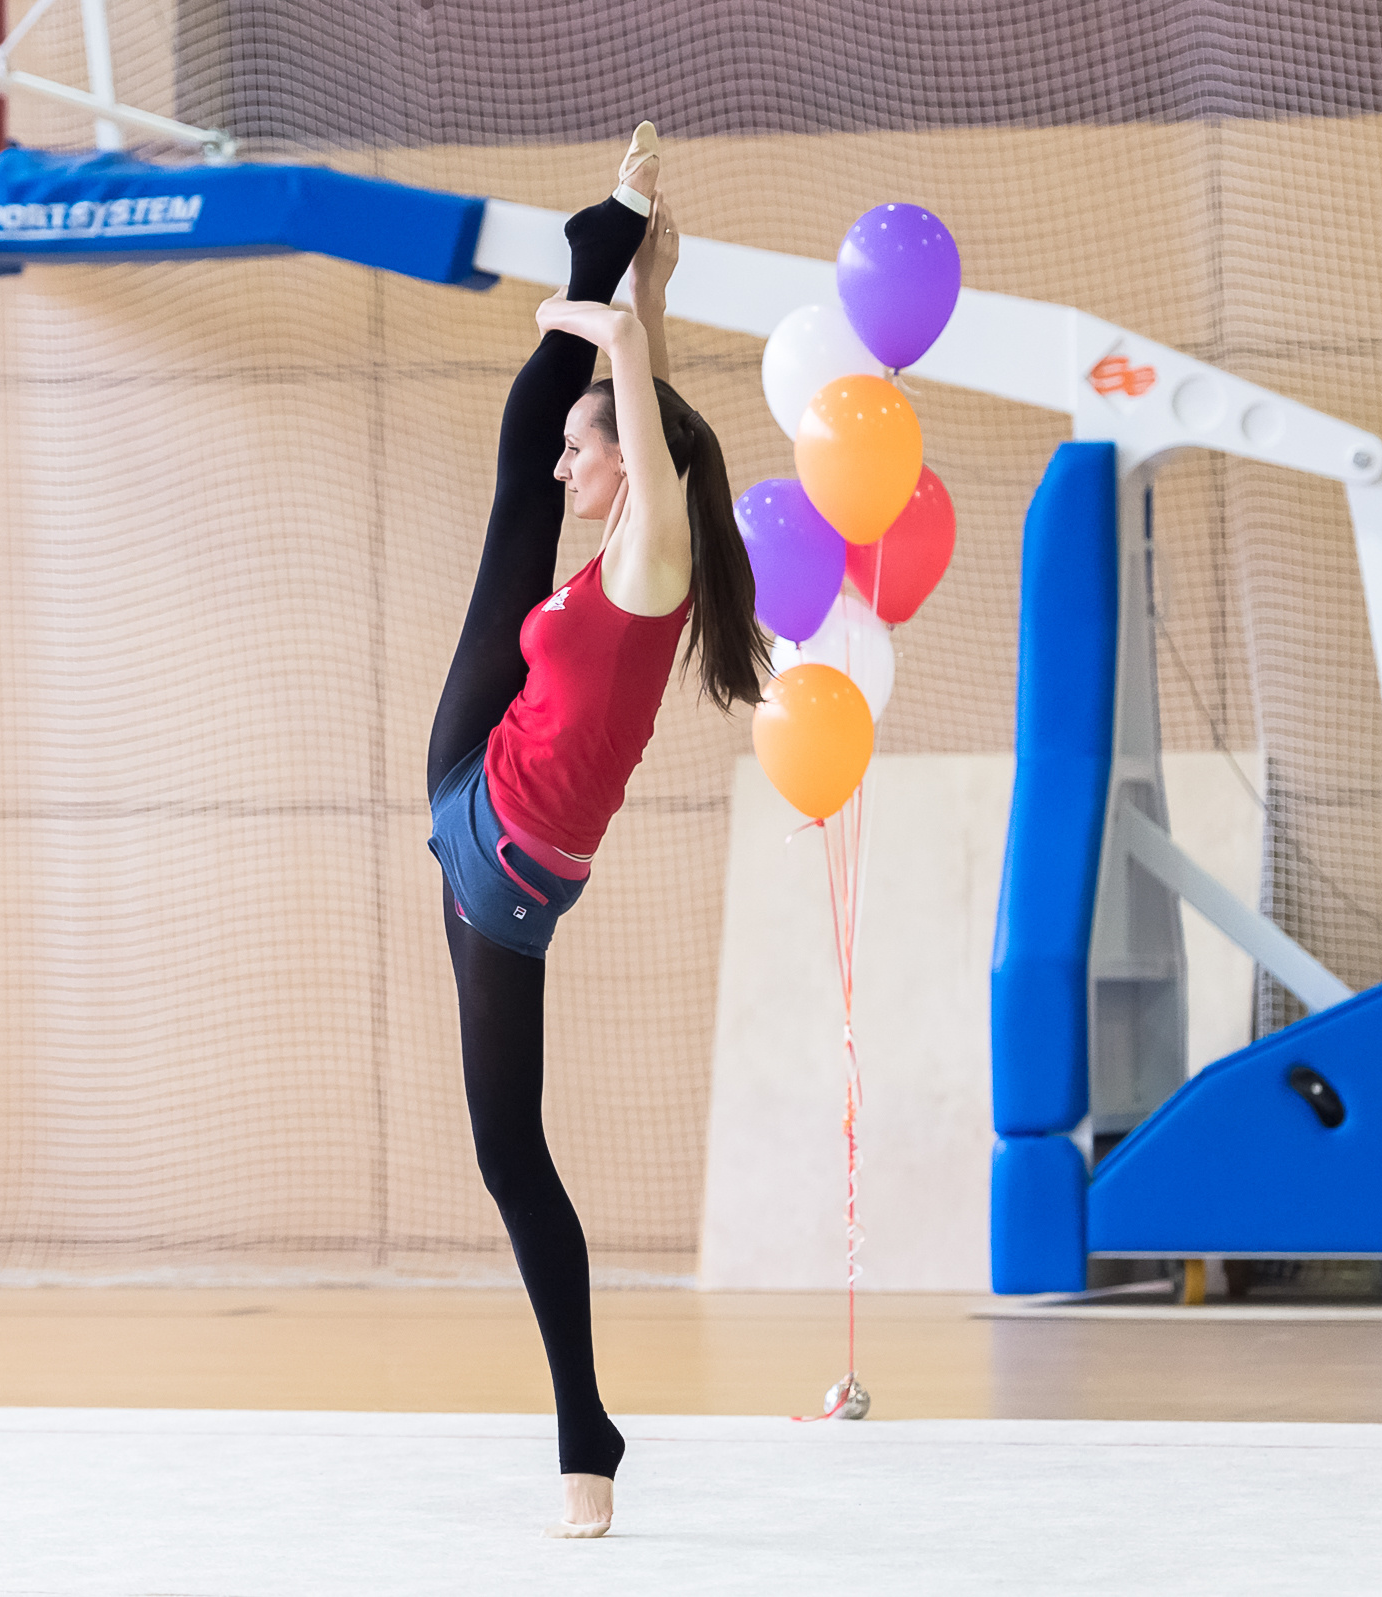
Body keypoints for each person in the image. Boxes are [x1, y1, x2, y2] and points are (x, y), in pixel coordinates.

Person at [424, 122, 765, 1538]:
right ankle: (596, 228)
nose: (577, 467)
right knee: (509, 490)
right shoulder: (649, 528)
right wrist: (638, 290)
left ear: (629, 476)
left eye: (590, 452)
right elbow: (651, 419)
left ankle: (587, 1430)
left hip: (497, 857)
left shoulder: (654, 557)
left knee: (512, 1147)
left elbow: (644, 422)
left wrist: (611, 318)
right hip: (481, 788)